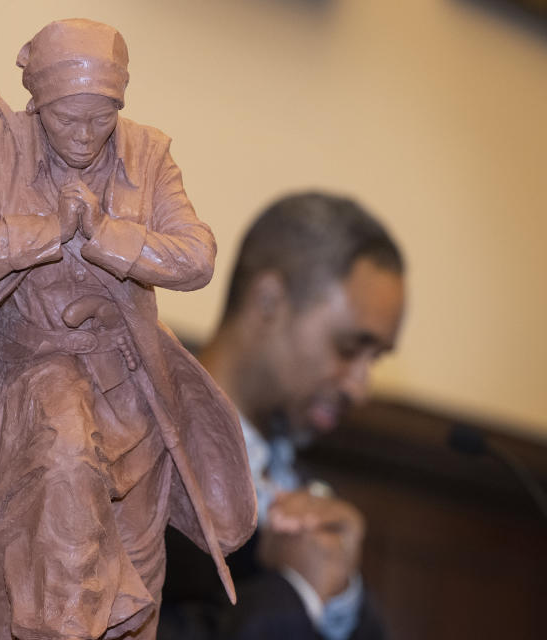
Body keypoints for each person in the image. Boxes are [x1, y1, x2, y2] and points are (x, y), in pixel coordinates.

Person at [0, 18, 255, 640]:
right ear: (36, 103)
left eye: (103, 117)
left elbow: (195, 258)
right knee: (65, 481)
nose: (87, 136)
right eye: (69, 118)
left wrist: (105, 234)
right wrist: (44, 231)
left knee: (137, 583)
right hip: (34, 372)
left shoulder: (148, 154)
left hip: (130, 384)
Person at [160, 192, 406, 640]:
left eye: (377, 359)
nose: (359, 388)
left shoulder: (307, 487)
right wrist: (295, 595)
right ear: (269, 301)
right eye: (349, 348)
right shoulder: (139, 454)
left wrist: (341, 596)